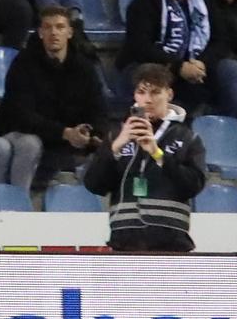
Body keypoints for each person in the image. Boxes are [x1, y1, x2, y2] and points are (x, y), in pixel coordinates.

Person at [84, 61, 206, 254]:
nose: (147, 100)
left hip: (170, 241)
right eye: (141, 92)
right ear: (134, 95)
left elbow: (193, 185)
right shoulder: (117, 134)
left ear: (169, 94)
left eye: (155, 92)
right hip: (124, 240)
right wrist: (115, 147)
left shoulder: (187, 137)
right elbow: (94, 184)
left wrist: (157, 153)